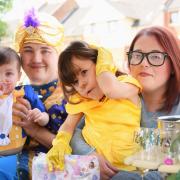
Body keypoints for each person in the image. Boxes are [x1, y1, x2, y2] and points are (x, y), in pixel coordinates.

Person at [70, 26, 180, 180]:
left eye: (155, 56)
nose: (144, 63)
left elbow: (172, 170)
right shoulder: (117, 94)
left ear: (173, 64)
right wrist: (91, 156)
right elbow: (75, 131)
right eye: (137, 55)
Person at [46, 41, 142, 174]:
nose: (82, 84)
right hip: (95, 170)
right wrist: (60, 144)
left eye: (84, 72)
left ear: (99, 64)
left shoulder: (127, 84)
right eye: (75, 82)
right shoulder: (81, 99)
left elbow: (110, 90)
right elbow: (68, 126)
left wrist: (104, 62)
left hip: (131, 169)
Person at [0, 9, 68, 180]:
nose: (36, 59)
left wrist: (33, 129)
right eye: (28, 50)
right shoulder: (13, 92)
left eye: (45, 50)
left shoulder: (76, 95)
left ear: (58, 54)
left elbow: (79, 150)